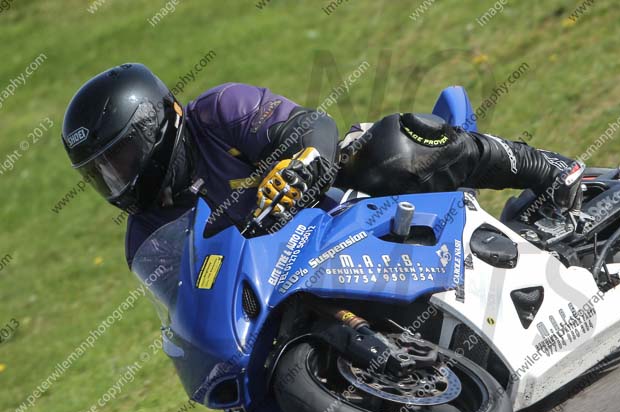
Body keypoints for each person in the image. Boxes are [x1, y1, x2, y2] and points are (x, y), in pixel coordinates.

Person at [61, 64, 583, 267]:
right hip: (289, 275)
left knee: (394, 147)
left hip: (347, 204)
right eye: (101, 172)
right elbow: (184, 310)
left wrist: (301, 165)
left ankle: (548, 171)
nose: (119, 177)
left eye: (123, 156)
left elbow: (313, 128)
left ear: (158, 124)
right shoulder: (144, 234)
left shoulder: (220, 111)